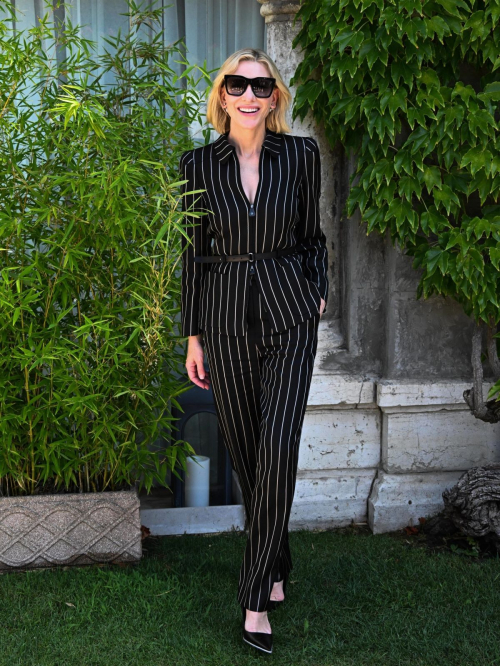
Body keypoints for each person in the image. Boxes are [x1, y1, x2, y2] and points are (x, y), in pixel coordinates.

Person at [178, 47, 329, 655]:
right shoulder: (196, 164)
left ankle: (255, 596)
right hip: (225, 322)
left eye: (260, 86)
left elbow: (313, 236)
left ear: (274, 98)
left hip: (292, 316)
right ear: (222, 95)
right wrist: (194, 334)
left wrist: (316, 291)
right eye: (237, 84)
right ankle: (279, 555)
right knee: (246, 453)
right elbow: (193, 255)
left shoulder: (302, 154)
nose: (248, 95)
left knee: (278, 446)